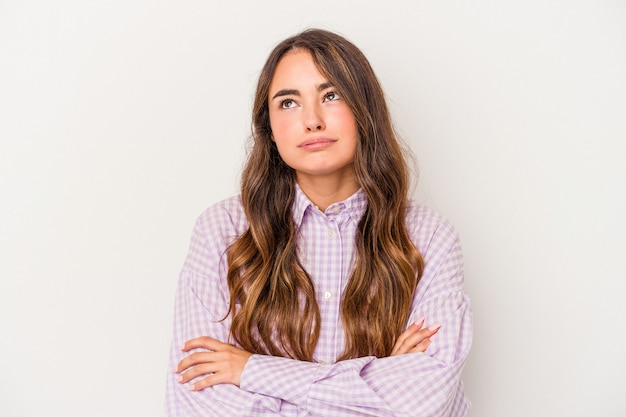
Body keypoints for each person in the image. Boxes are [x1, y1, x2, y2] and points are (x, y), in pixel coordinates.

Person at [166, 28, 472, 417]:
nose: (312, 120)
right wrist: (375, 385)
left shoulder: (429, 239)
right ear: (269, 128)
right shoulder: (222, 231)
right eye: (288, 103)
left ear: (365, 111)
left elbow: (423, 402)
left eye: (331, 96)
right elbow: (198, 401)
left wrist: (250, 369)